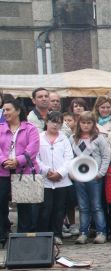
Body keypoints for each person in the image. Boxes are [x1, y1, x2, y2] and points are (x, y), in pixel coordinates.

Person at [1, 99, 41, 241]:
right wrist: (4, 161)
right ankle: (2, 235)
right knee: (1, 203)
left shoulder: (30, 128)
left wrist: (18, 160)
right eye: (4, 110)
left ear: (17, 111)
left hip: (24, 171)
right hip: (3, 171)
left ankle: (23, 237)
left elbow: (33, 148)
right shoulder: (0, 128)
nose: (5, 113)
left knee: (24, 205)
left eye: (8, 110)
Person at [72, 111, 111, 244]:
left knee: (96, 206)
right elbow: (70, 157)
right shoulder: (73, 138)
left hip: (95, 177)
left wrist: (101, 173)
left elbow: (106, 156)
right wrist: (72, 174)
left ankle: (101, 232)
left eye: (89, 123)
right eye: (83, 122)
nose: (86, 125)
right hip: (79, 177)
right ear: (79, 123)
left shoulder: (99, 138)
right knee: (83, 206)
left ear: (93, 124)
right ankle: (83, 232)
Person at [36, 111, 73, 245]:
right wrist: (47, 171)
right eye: (53, 121)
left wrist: (60, 173)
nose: (55, 125)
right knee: (46, 208)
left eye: (58, 122)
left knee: (59, 209)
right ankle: (44, 234)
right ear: (47, 122)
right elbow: (35, 157)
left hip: (61, 181)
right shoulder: (39, 137)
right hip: (45, 180)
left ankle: (57, 234)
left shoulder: (64, 139)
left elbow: (69, 158)